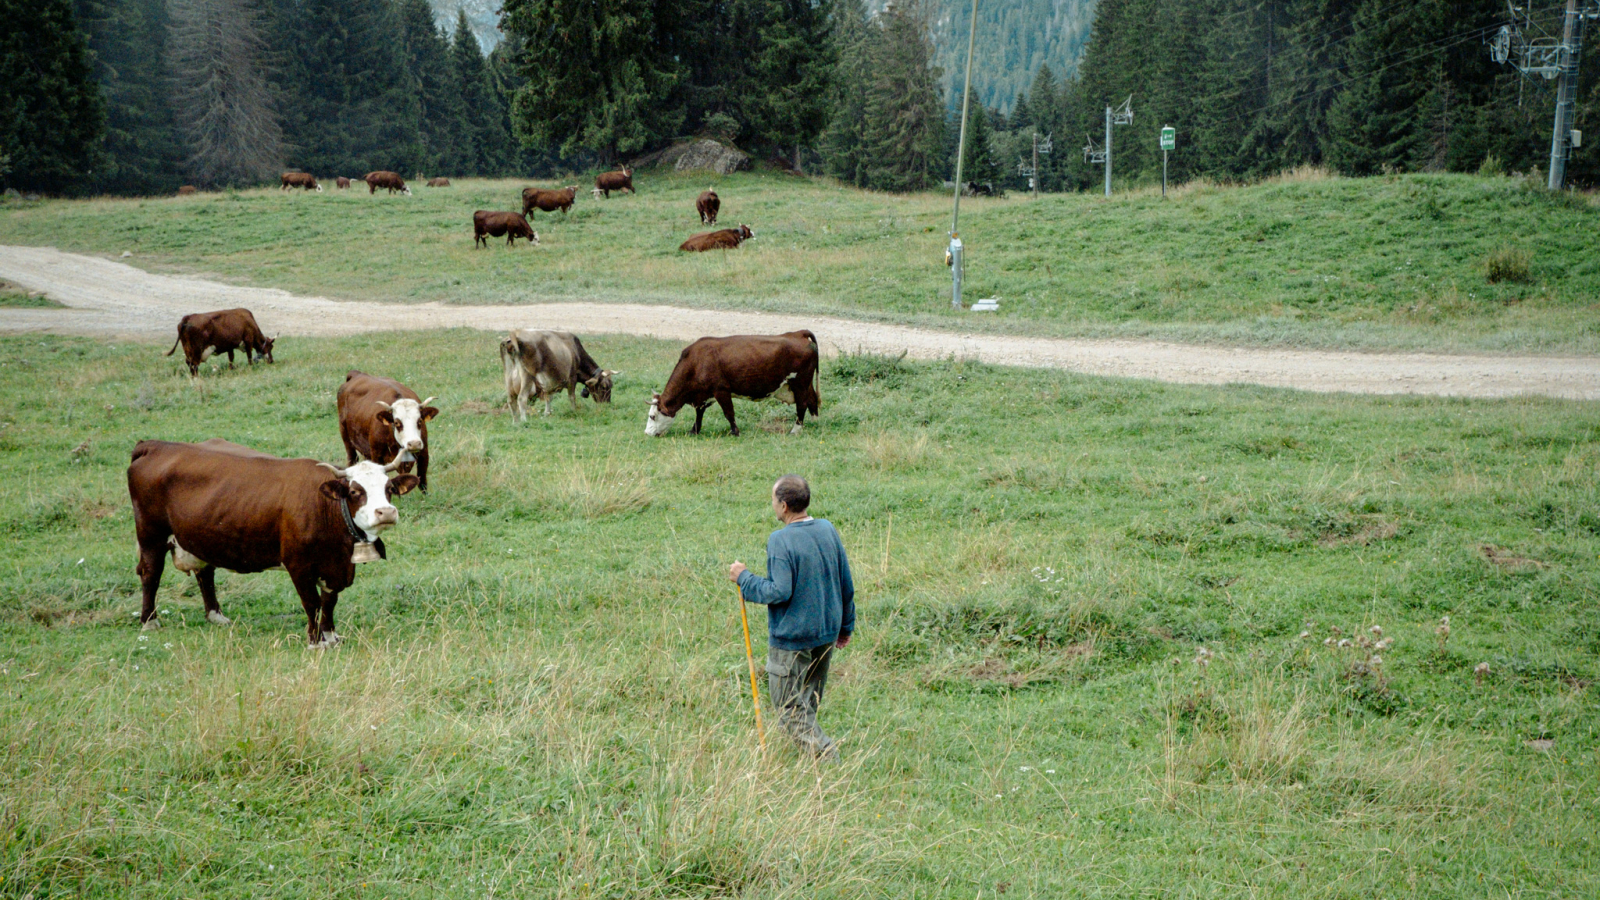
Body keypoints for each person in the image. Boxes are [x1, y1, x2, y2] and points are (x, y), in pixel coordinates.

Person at [729, 474, 855, 758]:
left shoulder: (780, 540)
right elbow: (845, 581)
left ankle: (828, 759)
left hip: (793, 640)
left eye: (773, 500)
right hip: (826, 632)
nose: (772, 504)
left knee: (788, 706)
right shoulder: (827, 529)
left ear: (784, 506)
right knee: (808, 701)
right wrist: (845, 626)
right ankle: (811, 767)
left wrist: (744, 579)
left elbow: (779, 592)